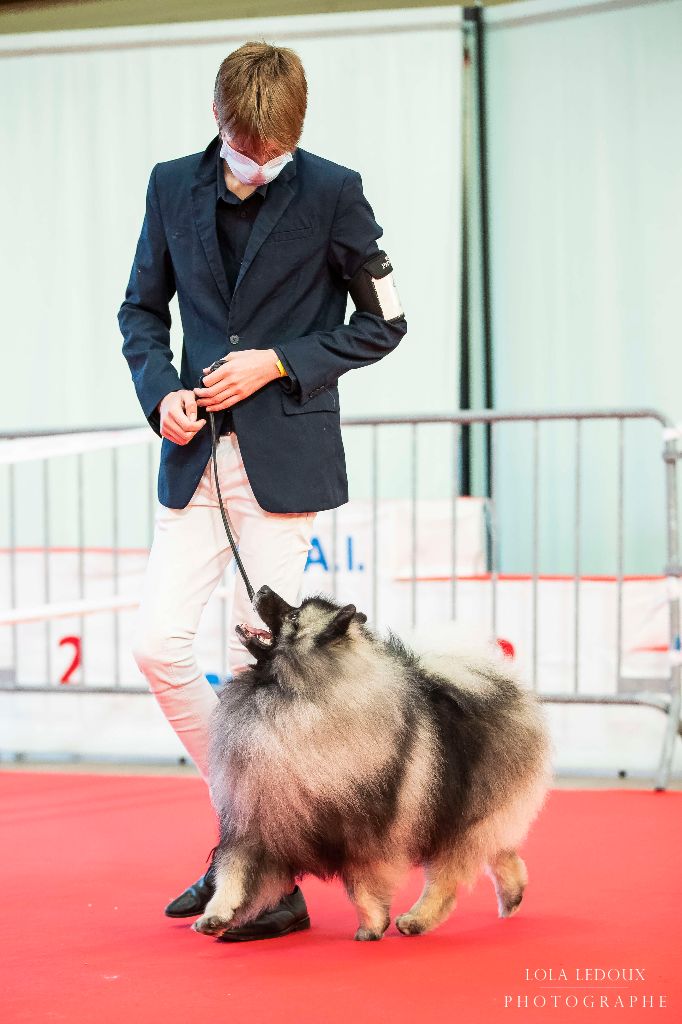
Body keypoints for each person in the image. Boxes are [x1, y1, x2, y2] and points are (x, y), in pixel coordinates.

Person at [118, 40, 407, 941]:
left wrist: (280, 360)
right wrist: (158, 390)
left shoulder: (334, 190)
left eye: (275, 154)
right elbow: (140, 312)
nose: (260, 168)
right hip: (192, 451)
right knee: (159, 647)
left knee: (272, 677)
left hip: (284, 464)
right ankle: (252, 837)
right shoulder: (171, 185)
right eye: (248, 151)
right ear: (219, 124)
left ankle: (265, 872)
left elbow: (385, 324)